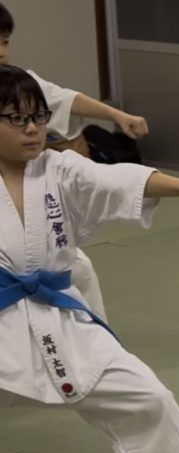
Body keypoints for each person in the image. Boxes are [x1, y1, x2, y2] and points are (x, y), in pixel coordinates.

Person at [0, 65, 179, 453]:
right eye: (16, 119)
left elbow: (119, 180)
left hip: (57, 314)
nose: (32, 129)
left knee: (148, 396)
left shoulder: (58, 168)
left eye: (38, 117)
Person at [0, 1, 150, 322]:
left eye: (5, 41)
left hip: (23, 208)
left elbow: (62, 98)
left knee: (78, 270)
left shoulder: (17, 85)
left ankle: (95, 339)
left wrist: (117, 115)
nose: (1, 51)